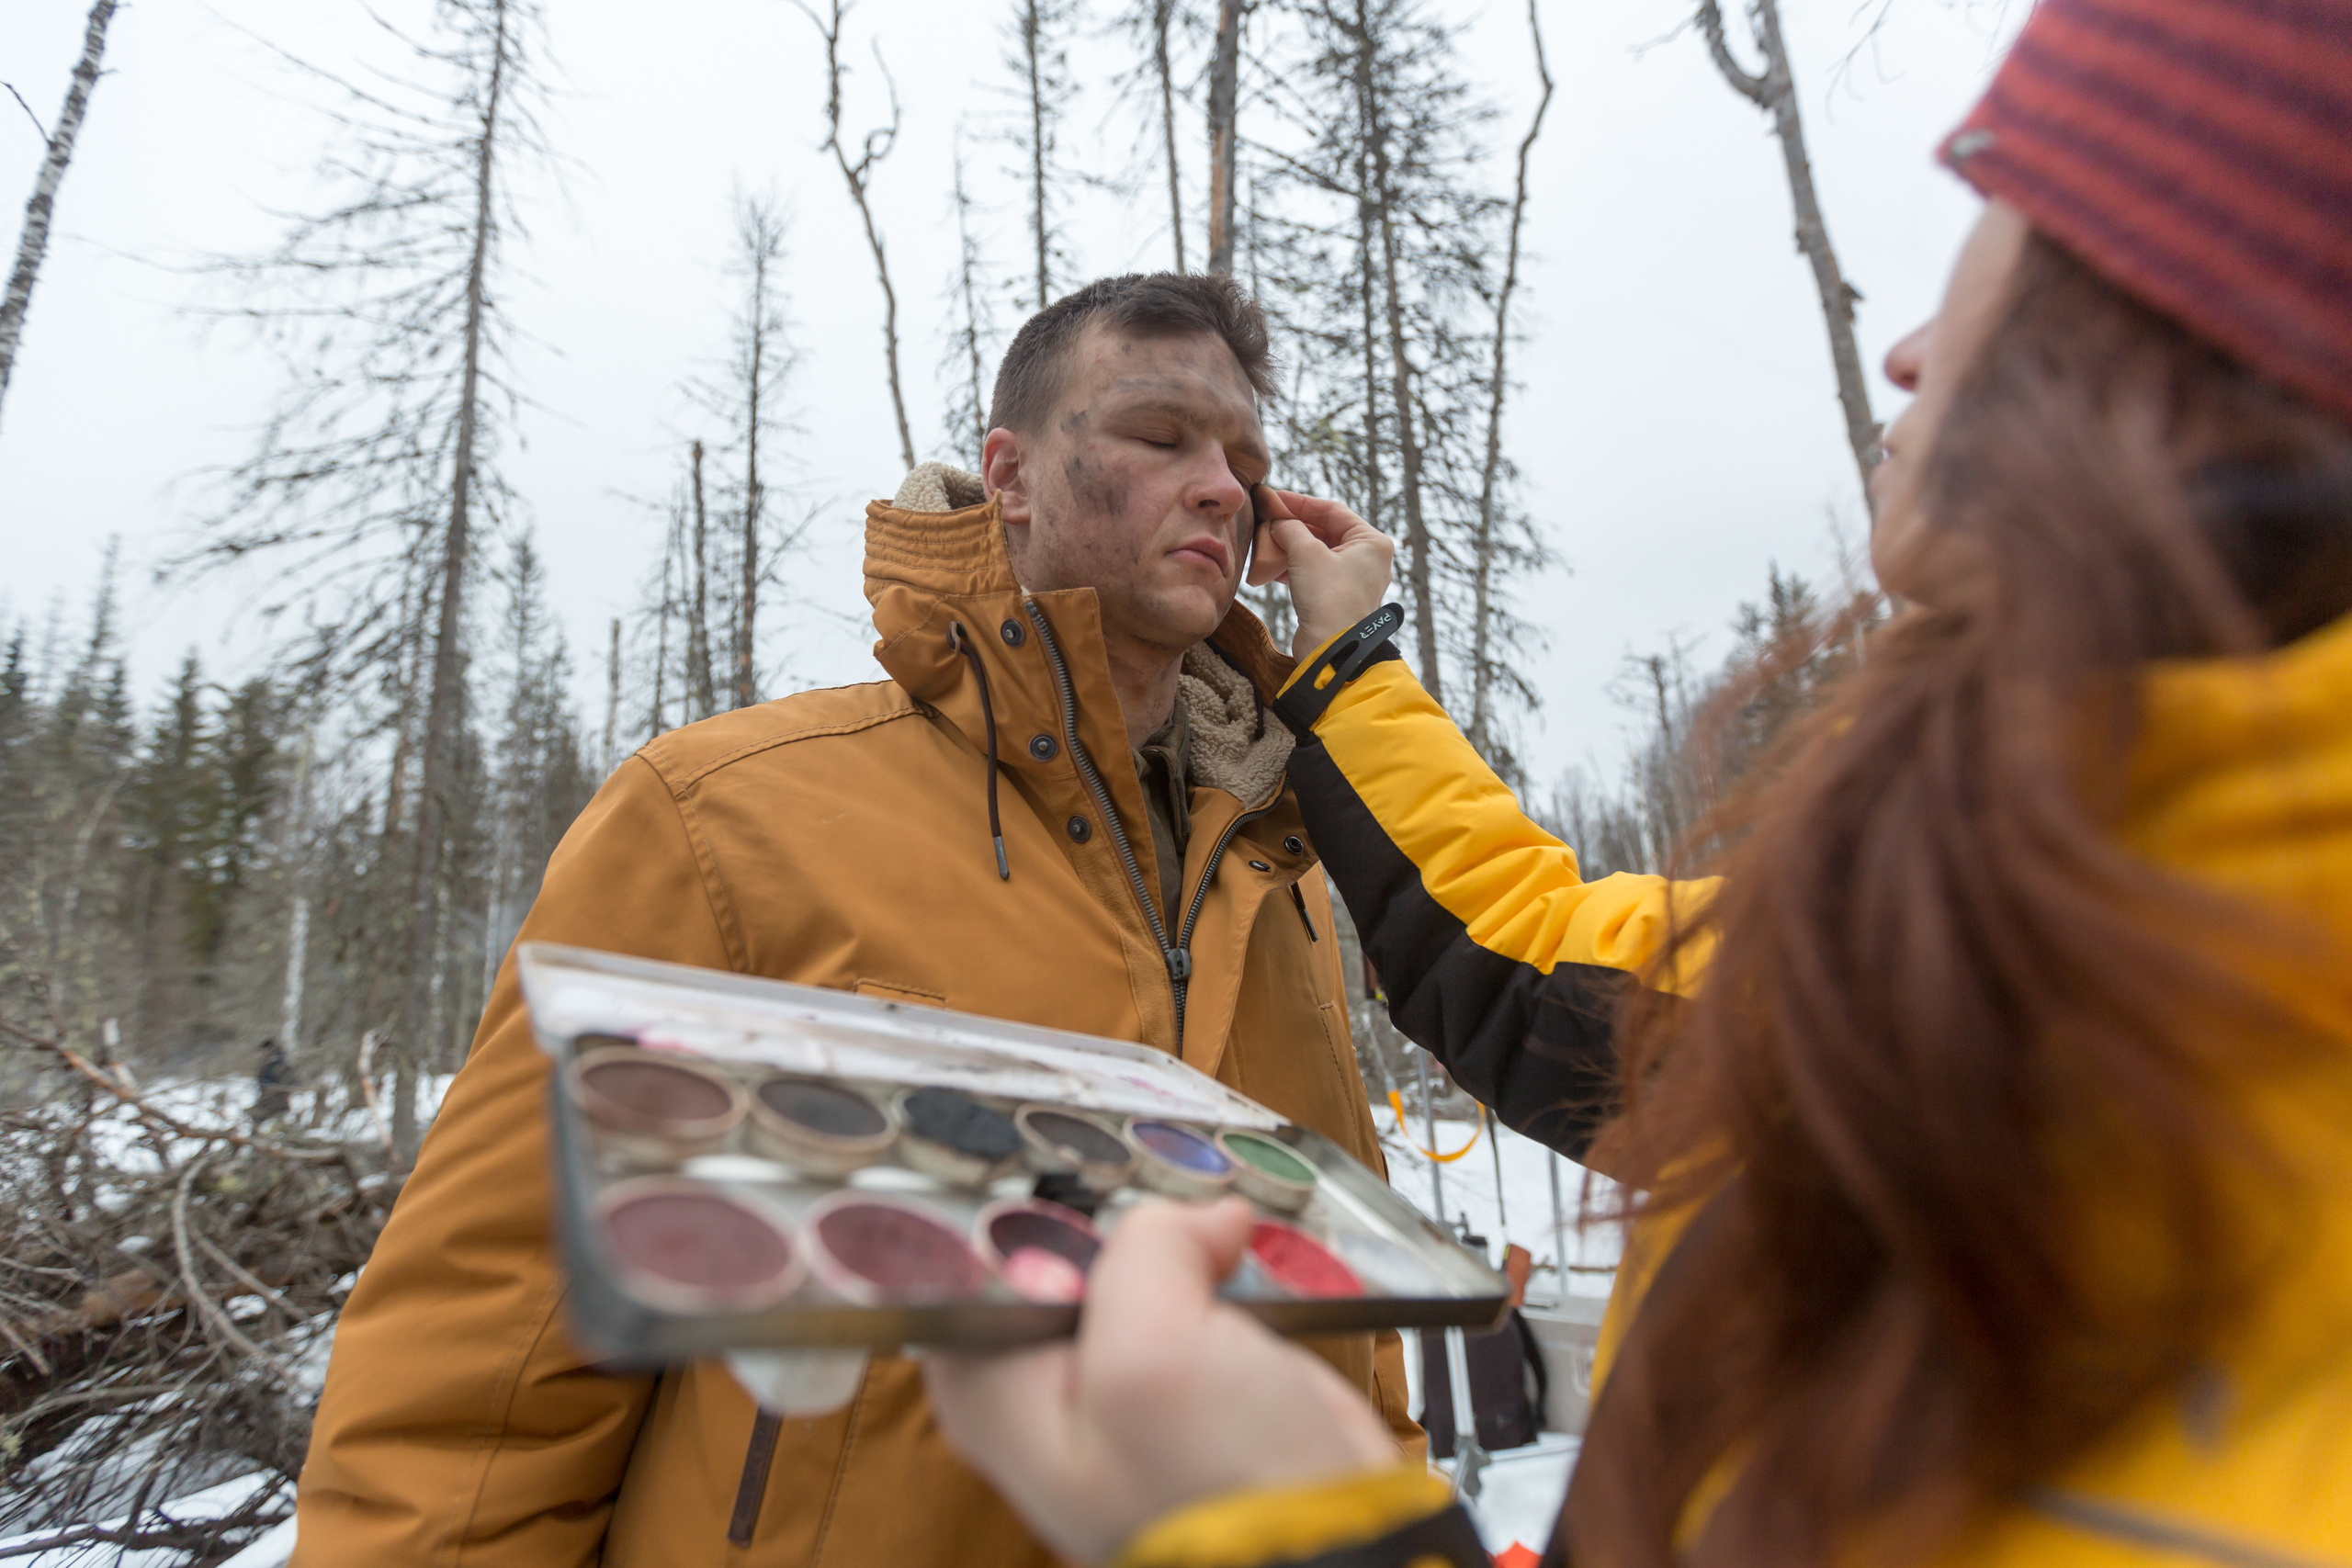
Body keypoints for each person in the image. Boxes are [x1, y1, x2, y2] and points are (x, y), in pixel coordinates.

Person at [924, 3, 2352, 1565]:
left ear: (2192, 342)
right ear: (1009, 472)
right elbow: (1533, 959)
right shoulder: (1951, 917)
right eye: (1154, 435)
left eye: (2002, 243)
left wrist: (1321, 1537)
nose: (1909, 342)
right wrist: (1346, 681)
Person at [291, 273, 1419, 1568]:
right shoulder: (723, 820)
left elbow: (1351, 1352)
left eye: (1245, 459)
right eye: (1163, 438)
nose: (1225, 486)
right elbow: (479, 1385)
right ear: (1010, 476)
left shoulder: (1278, 878)